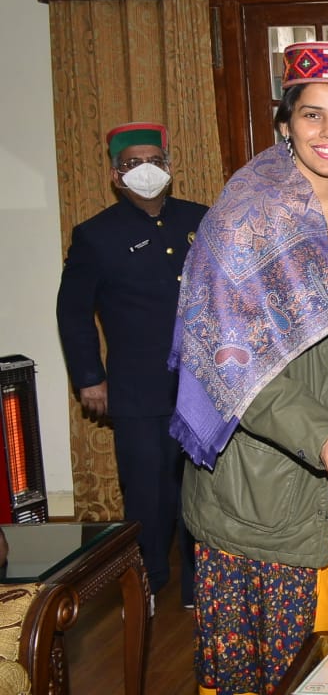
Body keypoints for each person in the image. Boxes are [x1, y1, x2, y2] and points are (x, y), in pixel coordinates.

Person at [169, 42, 328, 694]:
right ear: (284, 124)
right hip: (270, 476)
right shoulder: (244, 221)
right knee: (273, 668)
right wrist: (320, 436)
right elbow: (232, 362)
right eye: (312, 116)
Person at [56, 121, 206, 614]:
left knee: (199, 491)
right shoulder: (96, 235)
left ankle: (198, 587)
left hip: (203, 386)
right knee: (148, 489)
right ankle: (148, 583)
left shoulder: (201, 220)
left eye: (154, 160)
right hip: (138, 387)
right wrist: (88, 376)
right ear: (117, 175)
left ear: (168, 165)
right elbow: (73, 311)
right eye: (133, 163)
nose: (146, 170)